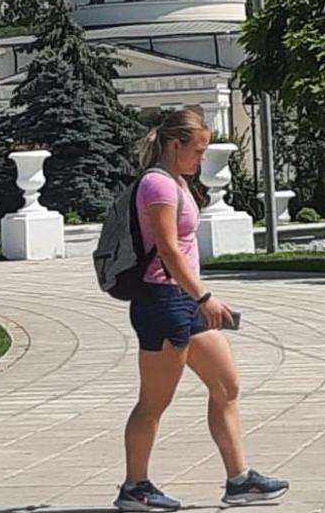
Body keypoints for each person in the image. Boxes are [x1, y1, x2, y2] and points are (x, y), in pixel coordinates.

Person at [116, 108, 288, 511]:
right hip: (163, 302)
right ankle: (134, 487)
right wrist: (205, 298)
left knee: (226, 385)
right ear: (175, 145)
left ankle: (240, 480)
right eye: (198, 150)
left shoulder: (176, 181)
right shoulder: (157, 185)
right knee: (154, 403)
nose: (202, 158)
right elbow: (170, 251)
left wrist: (199, 298)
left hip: (183, 301)